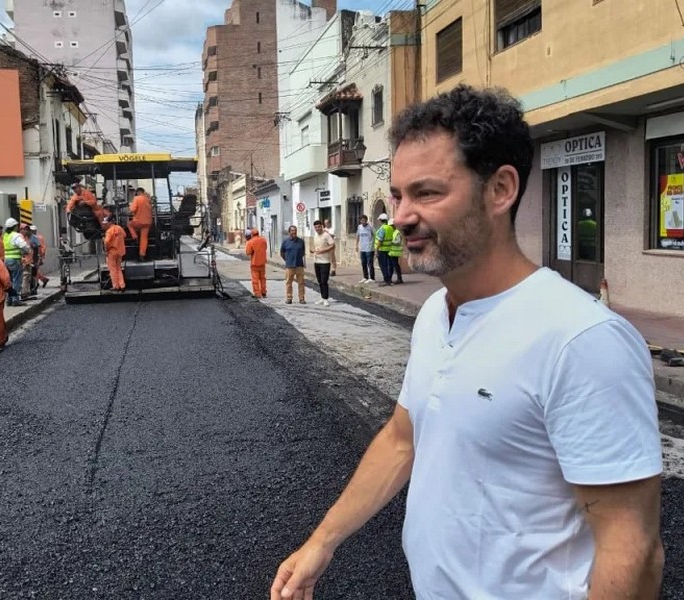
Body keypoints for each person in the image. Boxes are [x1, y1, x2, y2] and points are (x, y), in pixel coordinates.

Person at [270, 84, 663, 600]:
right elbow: (402, 439)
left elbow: (631, 547)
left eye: (427, 193)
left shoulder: (582, 340)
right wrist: (323, 541)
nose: (402, 216)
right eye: (398, 195)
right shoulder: (436, 312)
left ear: (500, 190)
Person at [2, 217, 29, 306]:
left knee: (9, 280)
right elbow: (23, 245)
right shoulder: (15, 235)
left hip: (7, 260)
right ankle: (15, 299)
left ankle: (9, 299)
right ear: (14, 226)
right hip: (15, 260)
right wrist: (27, 250)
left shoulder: (5, 235)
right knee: (16, 280)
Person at [279, 225, 306, 304]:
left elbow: (303, 252)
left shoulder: (301, 241)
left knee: (301, 282)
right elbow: (282, 253)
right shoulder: (285, 242)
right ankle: (289, 298)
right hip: (289, 266)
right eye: (292, 231)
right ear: (289, 232)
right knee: (288, 283)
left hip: (299, 265)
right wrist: (287, 260)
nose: (294, 232)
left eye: (295, 230)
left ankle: (301, 298)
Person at [310, 220, 334, 306]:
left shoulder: (326, 235)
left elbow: (332, 245)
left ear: (322, 226)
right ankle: (322, 297)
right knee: (319, 280)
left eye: (319, 227)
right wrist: (312, 250)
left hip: (325, 261)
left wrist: (323, 250)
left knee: (324, 280)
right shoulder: (315, 235)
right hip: (316, 261)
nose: (317, 228)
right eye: (316, 227)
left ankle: (326, 299)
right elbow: (315, 246)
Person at [128, 187, 154, 261]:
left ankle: (135, 237)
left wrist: (128, 211)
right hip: (148, 222)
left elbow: (132, 209)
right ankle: (142, 255)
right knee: (144, 238)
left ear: (138, 192)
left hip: (138, 221)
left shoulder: (137, 198)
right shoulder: (148, 199)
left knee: (129, 224)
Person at [373, 213, 398, 286]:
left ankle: (386, 280)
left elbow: (380, 240)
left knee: (383, 265)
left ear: (381, 220)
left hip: (382, 249)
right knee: (389, 265)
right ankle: (389, 280)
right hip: (389, 249)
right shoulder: (390, 228)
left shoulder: (382, 229)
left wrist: (376, 250)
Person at [103, 216, 126, 292]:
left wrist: (106, 250)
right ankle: (122, 285)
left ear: (110, 222)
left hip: (112, 252)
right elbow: (124, 235)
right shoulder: (119, 228)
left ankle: (116, 286)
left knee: (113, 269)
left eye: (106, 223)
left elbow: (106, 242)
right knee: (118, 268)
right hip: (120, 251)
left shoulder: (109, 231)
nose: (105, 225)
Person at [244, 227, 268, 299]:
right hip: (262, 262)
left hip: (254, 263)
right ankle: (263, 292)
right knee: (262, 278)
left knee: (255, 279)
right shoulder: (263, 240)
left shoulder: (250, 242)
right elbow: (265, 248)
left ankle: (257, 293)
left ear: (252, 234)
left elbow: (248, 252)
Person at [355, 214, 375, 283]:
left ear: (366, 220)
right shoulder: (359, 227)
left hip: (369, 248)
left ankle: (372, 278)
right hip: (362, 248)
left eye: (364, 220)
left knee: (370, 263)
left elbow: (375, 235)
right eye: (361, 220)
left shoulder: (370, 227)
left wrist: (373, 244)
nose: (363, 221)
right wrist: (356, 245)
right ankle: (365, 277)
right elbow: (357, 236)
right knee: (363, 263)